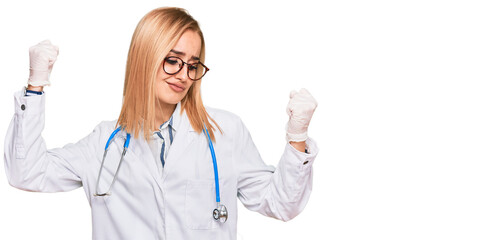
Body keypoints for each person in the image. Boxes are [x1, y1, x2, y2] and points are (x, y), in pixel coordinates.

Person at [4, 7, 318, 240]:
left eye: (193, 65)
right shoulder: (104, 142)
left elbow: (281, 204)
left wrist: (297, 137)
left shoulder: (224, 132)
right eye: (173, 60)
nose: (184, 74)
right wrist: (35, 85)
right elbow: (26, 173)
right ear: (145, 57)